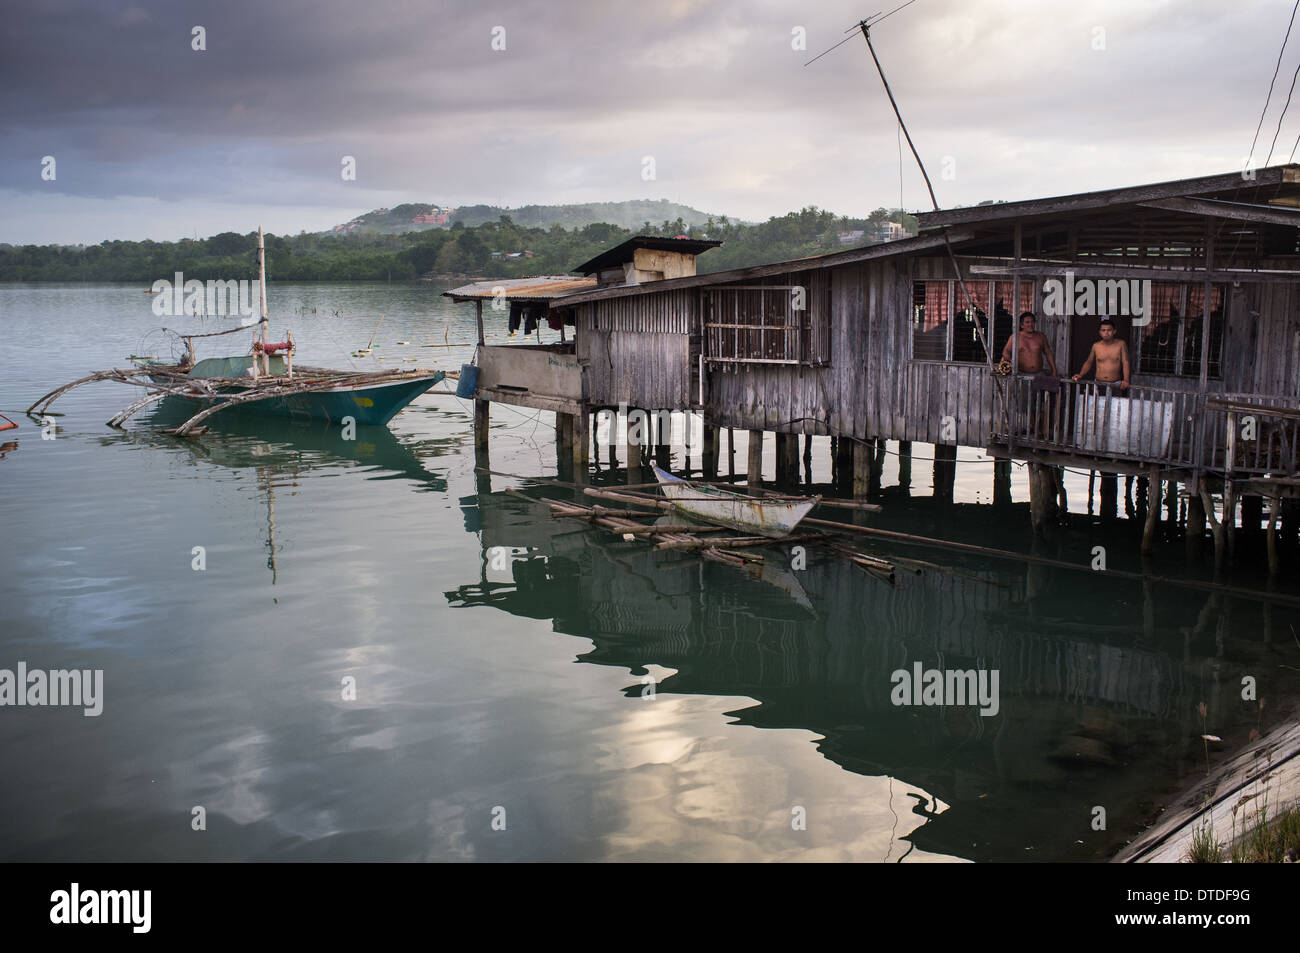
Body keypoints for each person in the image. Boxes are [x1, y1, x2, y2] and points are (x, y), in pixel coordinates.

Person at [1000, 311, 1060, 389]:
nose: (1030, 324)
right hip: (1021, 374)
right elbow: (1006, 351)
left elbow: (1048, 353)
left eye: (1032, 322)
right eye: (1027, 322)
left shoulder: (1041, 337)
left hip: (1039, 374)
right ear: (1022, 325)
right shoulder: (1015, 337)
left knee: (1038, 398)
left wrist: (1054, 370)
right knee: (1022, 398)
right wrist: (1010, 362)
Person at [1072, 318, 1131, 390]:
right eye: (1103, 330)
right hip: (1098, 383)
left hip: (1115, 384)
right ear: (1100, 332)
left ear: (1114, 331)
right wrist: (1081, 374)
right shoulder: (1096, 346)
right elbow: (1089, 362)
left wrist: (1126, 380)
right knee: (1096, 401)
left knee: (1115, 401)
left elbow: (1125, 362)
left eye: (1109, 330)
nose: (1106, 333)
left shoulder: (1121, 344)